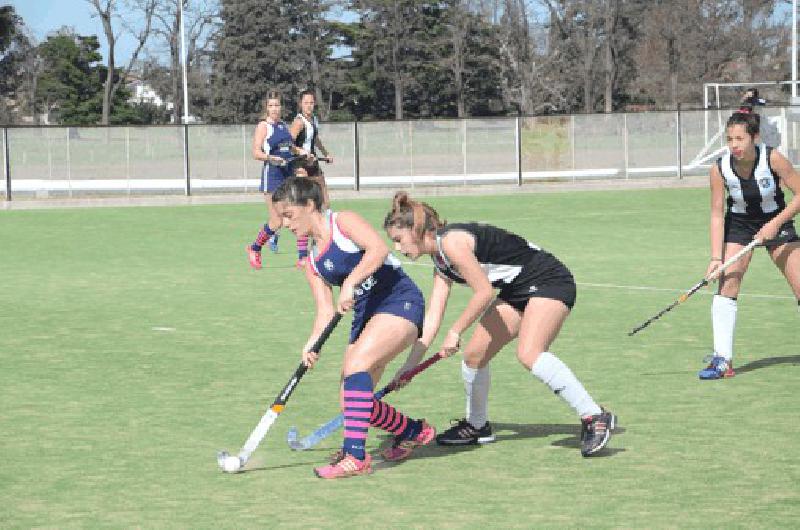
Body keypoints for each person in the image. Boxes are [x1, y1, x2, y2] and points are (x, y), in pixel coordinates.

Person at [383, 192, 616, 457]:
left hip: (549, 279)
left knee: (529, 353)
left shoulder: (453, 243)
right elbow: (433, 317)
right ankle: (477, 425)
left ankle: (594, 416)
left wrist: (455, 331)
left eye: (399, 240)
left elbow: (483, 292)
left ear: (417, 230)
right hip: (517, 288)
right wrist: (408, 367)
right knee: (474, 356)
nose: (398, 248)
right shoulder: (439, 261)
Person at [271, 177, 434, 479]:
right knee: (351, 396)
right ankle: (413, 430)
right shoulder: (312, 262)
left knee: (357, 369)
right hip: (366, 314)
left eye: (289, 215)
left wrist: (350, 281)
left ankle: (355, 457)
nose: (285, 223)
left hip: (398, 300)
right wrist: (311, 343)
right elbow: (325, 310)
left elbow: (378, 249)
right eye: (281, 217)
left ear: (309, 205)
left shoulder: (343, 222)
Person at [699, 112, 800, 379]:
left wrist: (775, 224)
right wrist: (715, 258)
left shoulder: (773, 159)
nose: (734, 145)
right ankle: (722, 360)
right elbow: (716, 214)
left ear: (755, 138)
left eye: (740, 139)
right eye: (730, 139)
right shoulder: (719, 169)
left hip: (776, 220)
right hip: (740, 224)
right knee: (728, 283)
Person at [245, 91, 306, 270]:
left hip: (288, 175)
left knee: (299, 213)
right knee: (276, 221)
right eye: (271, 106)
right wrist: (271, 158)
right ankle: (254, 248)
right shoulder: (263, 126)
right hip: (272, 176)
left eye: (277, 105)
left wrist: (300, 152)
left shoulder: (282, 126)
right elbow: (256, 152)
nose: (274, 109)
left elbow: (289, 147)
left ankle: (303, 258)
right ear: (266, 108)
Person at [289, 89, 335, 268]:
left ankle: (322, 243)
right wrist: (302, 152)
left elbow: (315, 139)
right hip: (301, 165)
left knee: (325, 203)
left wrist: (326, 153)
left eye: (312, 102)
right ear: (301, 104)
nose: (309, 105)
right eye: (306, 102)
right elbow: (289, 144)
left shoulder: (313, 120)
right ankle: (302, 255)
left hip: (314, 163)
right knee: (305, 206)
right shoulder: (298, 122)